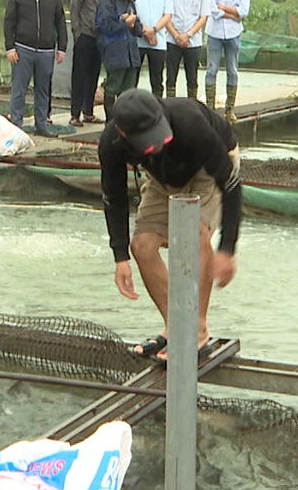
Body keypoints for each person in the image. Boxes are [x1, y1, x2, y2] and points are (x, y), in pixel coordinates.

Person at [99, 89, 242, 361]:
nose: (158, 143)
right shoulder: (111, 143)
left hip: (208, 169)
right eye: (149, 140)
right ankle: (175, 326)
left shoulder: (189, 122)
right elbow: (113, 196)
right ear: (122, 132)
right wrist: (120, 257)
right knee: (142, 246)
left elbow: (231, 184)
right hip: (162, 176)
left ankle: (197, 330)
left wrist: (227, 248)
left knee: (194, 235)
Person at [3, 0, 68, 136]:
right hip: (23, 49)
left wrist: (61, 48)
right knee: (19, 89)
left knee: (43, 89)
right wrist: (10, 47)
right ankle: (16, 124)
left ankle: (41, 125)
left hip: (46, 51)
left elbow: (60, 22)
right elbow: (9, 23)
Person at [204, 0, 252, 120]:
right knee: (211, 69)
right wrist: (232, 14)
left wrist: (223, 7)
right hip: (214, 32)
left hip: (233, 33)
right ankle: (209, 109)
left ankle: (229, 109)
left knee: (232, 70)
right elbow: (212, 10)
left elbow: (244, 11)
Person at [96, 0, 143, 118]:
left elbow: (139, 28)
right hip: (115, 52)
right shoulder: (107, 1)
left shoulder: (131, 1)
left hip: (131, 54)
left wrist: (134, 24)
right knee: (112, 88)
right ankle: (110, 122)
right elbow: (105, 26)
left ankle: (125, 122)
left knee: (129, 92)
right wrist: (125, 23)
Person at [68, 0, 107, 127]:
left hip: (99, 39)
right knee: (79, 77)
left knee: (93, 76)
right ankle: (74, 114)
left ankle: (88, 113)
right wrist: (77, 35)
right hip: (84, 36)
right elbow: (74, 11)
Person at [164, 0, 210, 101]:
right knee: (171, 76)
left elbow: (203, 17)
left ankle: (193, 104)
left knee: (192, 76)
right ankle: (170, 105)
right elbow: (166, 16)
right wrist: (177, 35)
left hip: (193, 41)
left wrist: (188, 34)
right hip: (172, 39)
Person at [131, 0, 174, 97]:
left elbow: (167, 15)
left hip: (158, 42)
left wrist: (154, 30)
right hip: (137, 41)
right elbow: (132, 13)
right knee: (133, 79)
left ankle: (157, 109)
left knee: (157, 80)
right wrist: (146, 32)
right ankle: (132, 110)